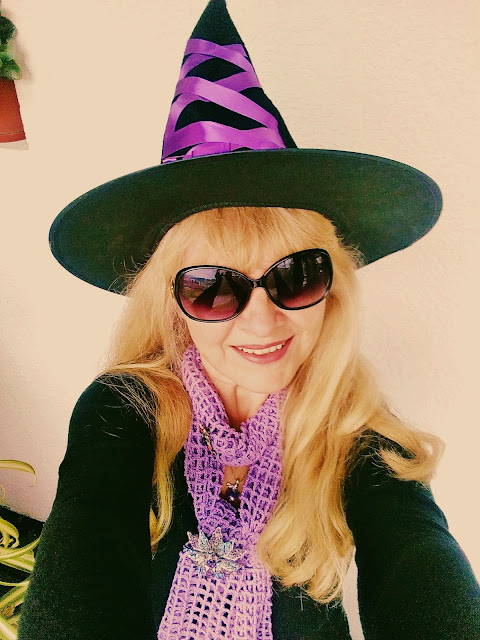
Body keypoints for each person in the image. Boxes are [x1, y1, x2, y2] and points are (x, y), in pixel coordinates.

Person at [18, 1, 480, 639]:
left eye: (296, 275)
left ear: (333, 289)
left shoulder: (351, 425)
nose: (263, 322)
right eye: (213, 287)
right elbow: (86, 537)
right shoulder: (125, 408)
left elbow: (416, 554)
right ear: (170, 303)